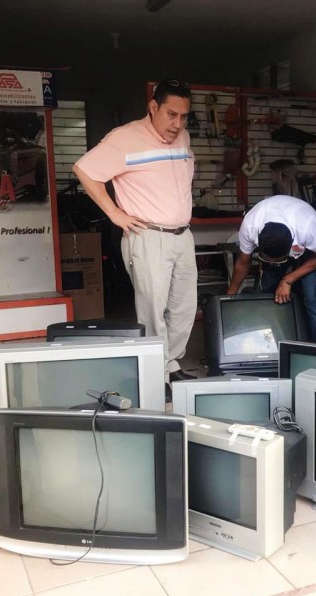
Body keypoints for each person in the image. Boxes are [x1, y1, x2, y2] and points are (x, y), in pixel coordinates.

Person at [72, 79, 197, 387]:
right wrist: (114, 213)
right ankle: (157, 372)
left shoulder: (183, 138)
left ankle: (171, 362)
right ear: (153, 107)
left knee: (184, 307)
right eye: (171, 114)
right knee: (153, 310)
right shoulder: (125, 138)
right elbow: (84, 170)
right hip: (149, 236)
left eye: (183, 116)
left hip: (183, 235)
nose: (177, 123)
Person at [226, 195, 316, 344]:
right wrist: (230, 296)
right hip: (275, 243)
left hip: (311, 253)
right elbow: (243, 262)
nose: (273, 263)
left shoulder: (308, 226)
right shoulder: (250, 225)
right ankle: (266, 345)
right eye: (267, 259)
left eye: (278, 261)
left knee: (311, 299)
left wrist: (288, 279)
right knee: (264, 295)